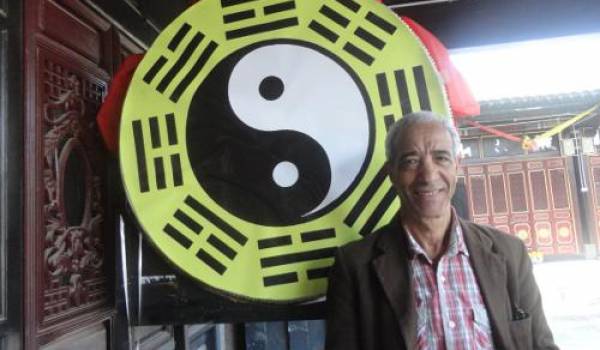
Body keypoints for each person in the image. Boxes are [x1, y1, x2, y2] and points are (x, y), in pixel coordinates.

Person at [325, 111, 558, 350]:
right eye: (411, 161)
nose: (428, 175)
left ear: (457, 165)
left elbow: (541, 344)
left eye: (441, 158)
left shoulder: (509, 253)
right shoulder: (355, 266)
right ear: (391, 173)